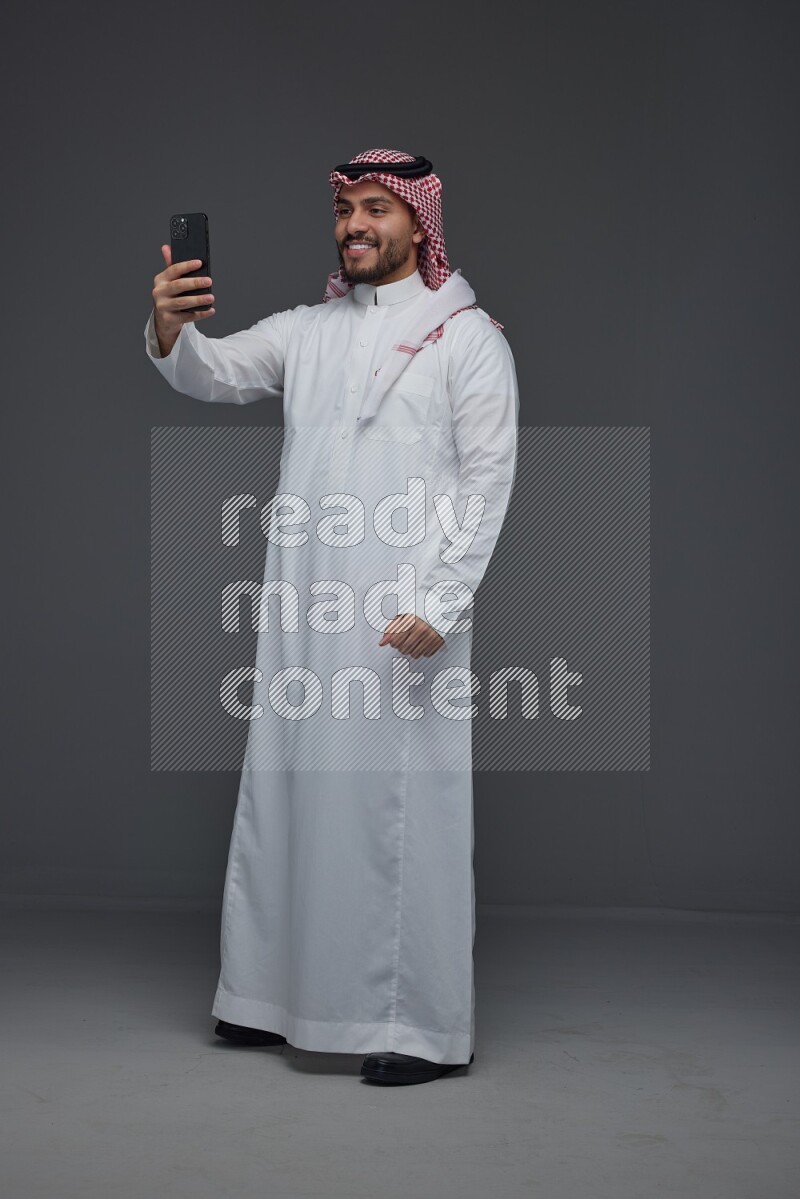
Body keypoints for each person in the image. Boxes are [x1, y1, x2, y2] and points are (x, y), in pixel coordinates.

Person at [144, 149, 519, 1086]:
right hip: (304, 613)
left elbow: (488, 478)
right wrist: (169, 327)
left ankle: (421, 1026)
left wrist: (440, 603)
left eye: (377, 210)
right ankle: (268, 999)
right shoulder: (308, 330)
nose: (356, 225)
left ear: (419, 225)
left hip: (404, 624)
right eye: (346, 208)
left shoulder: (468, 339)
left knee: (402, 817)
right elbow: (213, 373)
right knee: (289, 794)